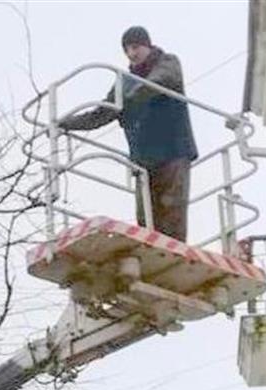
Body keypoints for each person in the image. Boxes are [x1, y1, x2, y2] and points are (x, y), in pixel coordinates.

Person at [59, 26, 198, 241]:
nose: (132, 54)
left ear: (147, 45)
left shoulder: (168, 62)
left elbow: (160, 81)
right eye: (127, 50)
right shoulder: (124, 83)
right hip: (144, 159)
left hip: (173, 151)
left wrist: (131, 96)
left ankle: (175, 252)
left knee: (172, 216)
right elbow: (101, 113)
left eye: (135, 47)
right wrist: (67, 123)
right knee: (146, 221)